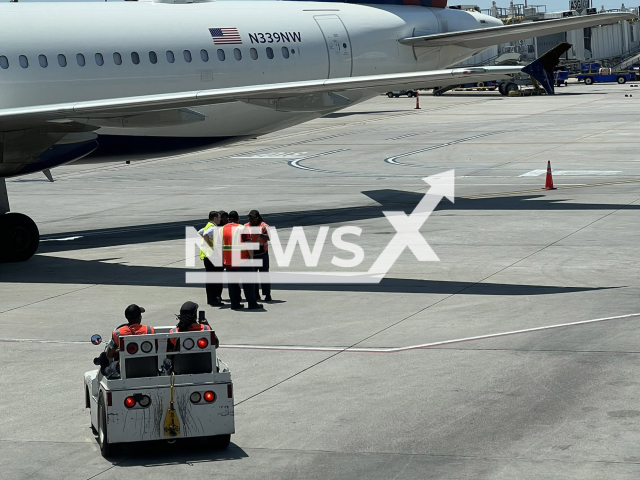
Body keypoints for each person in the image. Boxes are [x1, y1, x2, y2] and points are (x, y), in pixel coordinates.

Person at [222, 211, 262, 310]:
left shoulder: (222, 229)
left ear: (228, 219)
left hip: (229, 261)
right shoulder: (241, 228)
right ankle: (252, 304)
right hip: (242, 260)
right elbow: (248, 243)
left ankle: (235, 304)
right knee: (248, 284)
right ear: (238, 219)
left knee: (233, 284)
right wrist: (252, 258)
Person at [199, 211, 224, 306]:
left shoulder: (208, 226)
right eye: (219, 217)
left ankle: (211, 299)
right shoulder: (213, 228)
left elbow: (200, 233)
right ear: (215, 218)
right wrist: (210, 244)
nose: (220, 219)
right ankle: (214, 299)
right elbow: (205, 235)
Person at [246, 209, 272, 302]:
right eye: (249, 218)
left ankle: (267, 295)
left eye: (252, 218)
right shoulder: (246, 226)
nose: (251, 220)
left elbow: (269, 237)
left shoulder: (264, 226)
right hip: (251, 254)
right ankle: (256, 295)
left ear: (257, 218)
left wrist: (260, 234)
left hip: (262, 254)